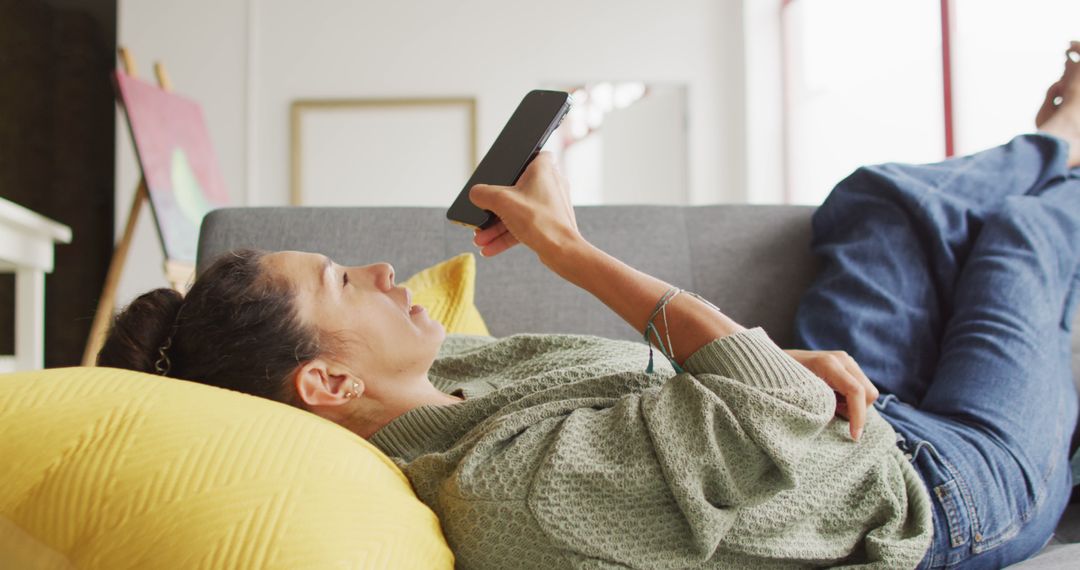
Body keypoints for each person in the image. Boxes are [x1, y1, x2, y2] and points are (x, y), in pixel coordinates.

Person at [98, 44, 1080, 569]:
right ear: (325, 379)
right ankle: (1071, 140)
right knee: (1019, 243)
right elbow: (761, 412)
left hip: (840, 407)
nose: (385, 273)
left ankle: (1047, 143)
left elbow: (728, 398)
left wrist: (776, 360)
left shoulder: (458, 378)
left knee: (877, 201)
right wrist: (568, 249)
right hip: (934, 487)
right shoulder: (519, 499)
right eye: (343, 283)